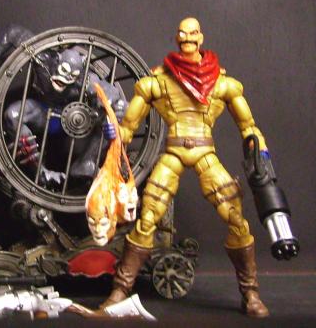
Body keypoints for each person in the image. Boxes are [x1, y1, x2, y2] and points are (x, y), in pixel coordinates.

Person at [101, 17, 269, 317]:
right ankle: (120, 290)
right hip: (174, 153)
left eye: (192, 33)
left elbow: (249, 127)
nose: (187, 38)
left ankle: (251, 293)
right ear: (177, 38)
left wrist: (260, 151)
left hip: (205, 153)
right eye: (182, 33)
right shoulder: (159, 82)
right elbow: (128, 127)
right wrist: (115, 135)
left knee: (236, 218)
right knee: (147, 217)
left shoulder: (222, 83)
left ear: (200, 38)